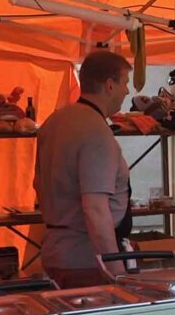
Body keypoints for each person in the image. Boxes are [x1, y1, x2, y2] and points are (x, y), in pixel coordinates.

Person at [35, 50, 133, 287]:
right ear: (110, 85)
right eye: (125, 83)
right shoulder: (96, 131)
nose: (127, 92)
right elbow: (95, 209)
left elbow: (37, 186)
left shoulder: (54, 121)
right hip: (86, 261)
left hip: (57, 252)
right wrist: (114, 269)